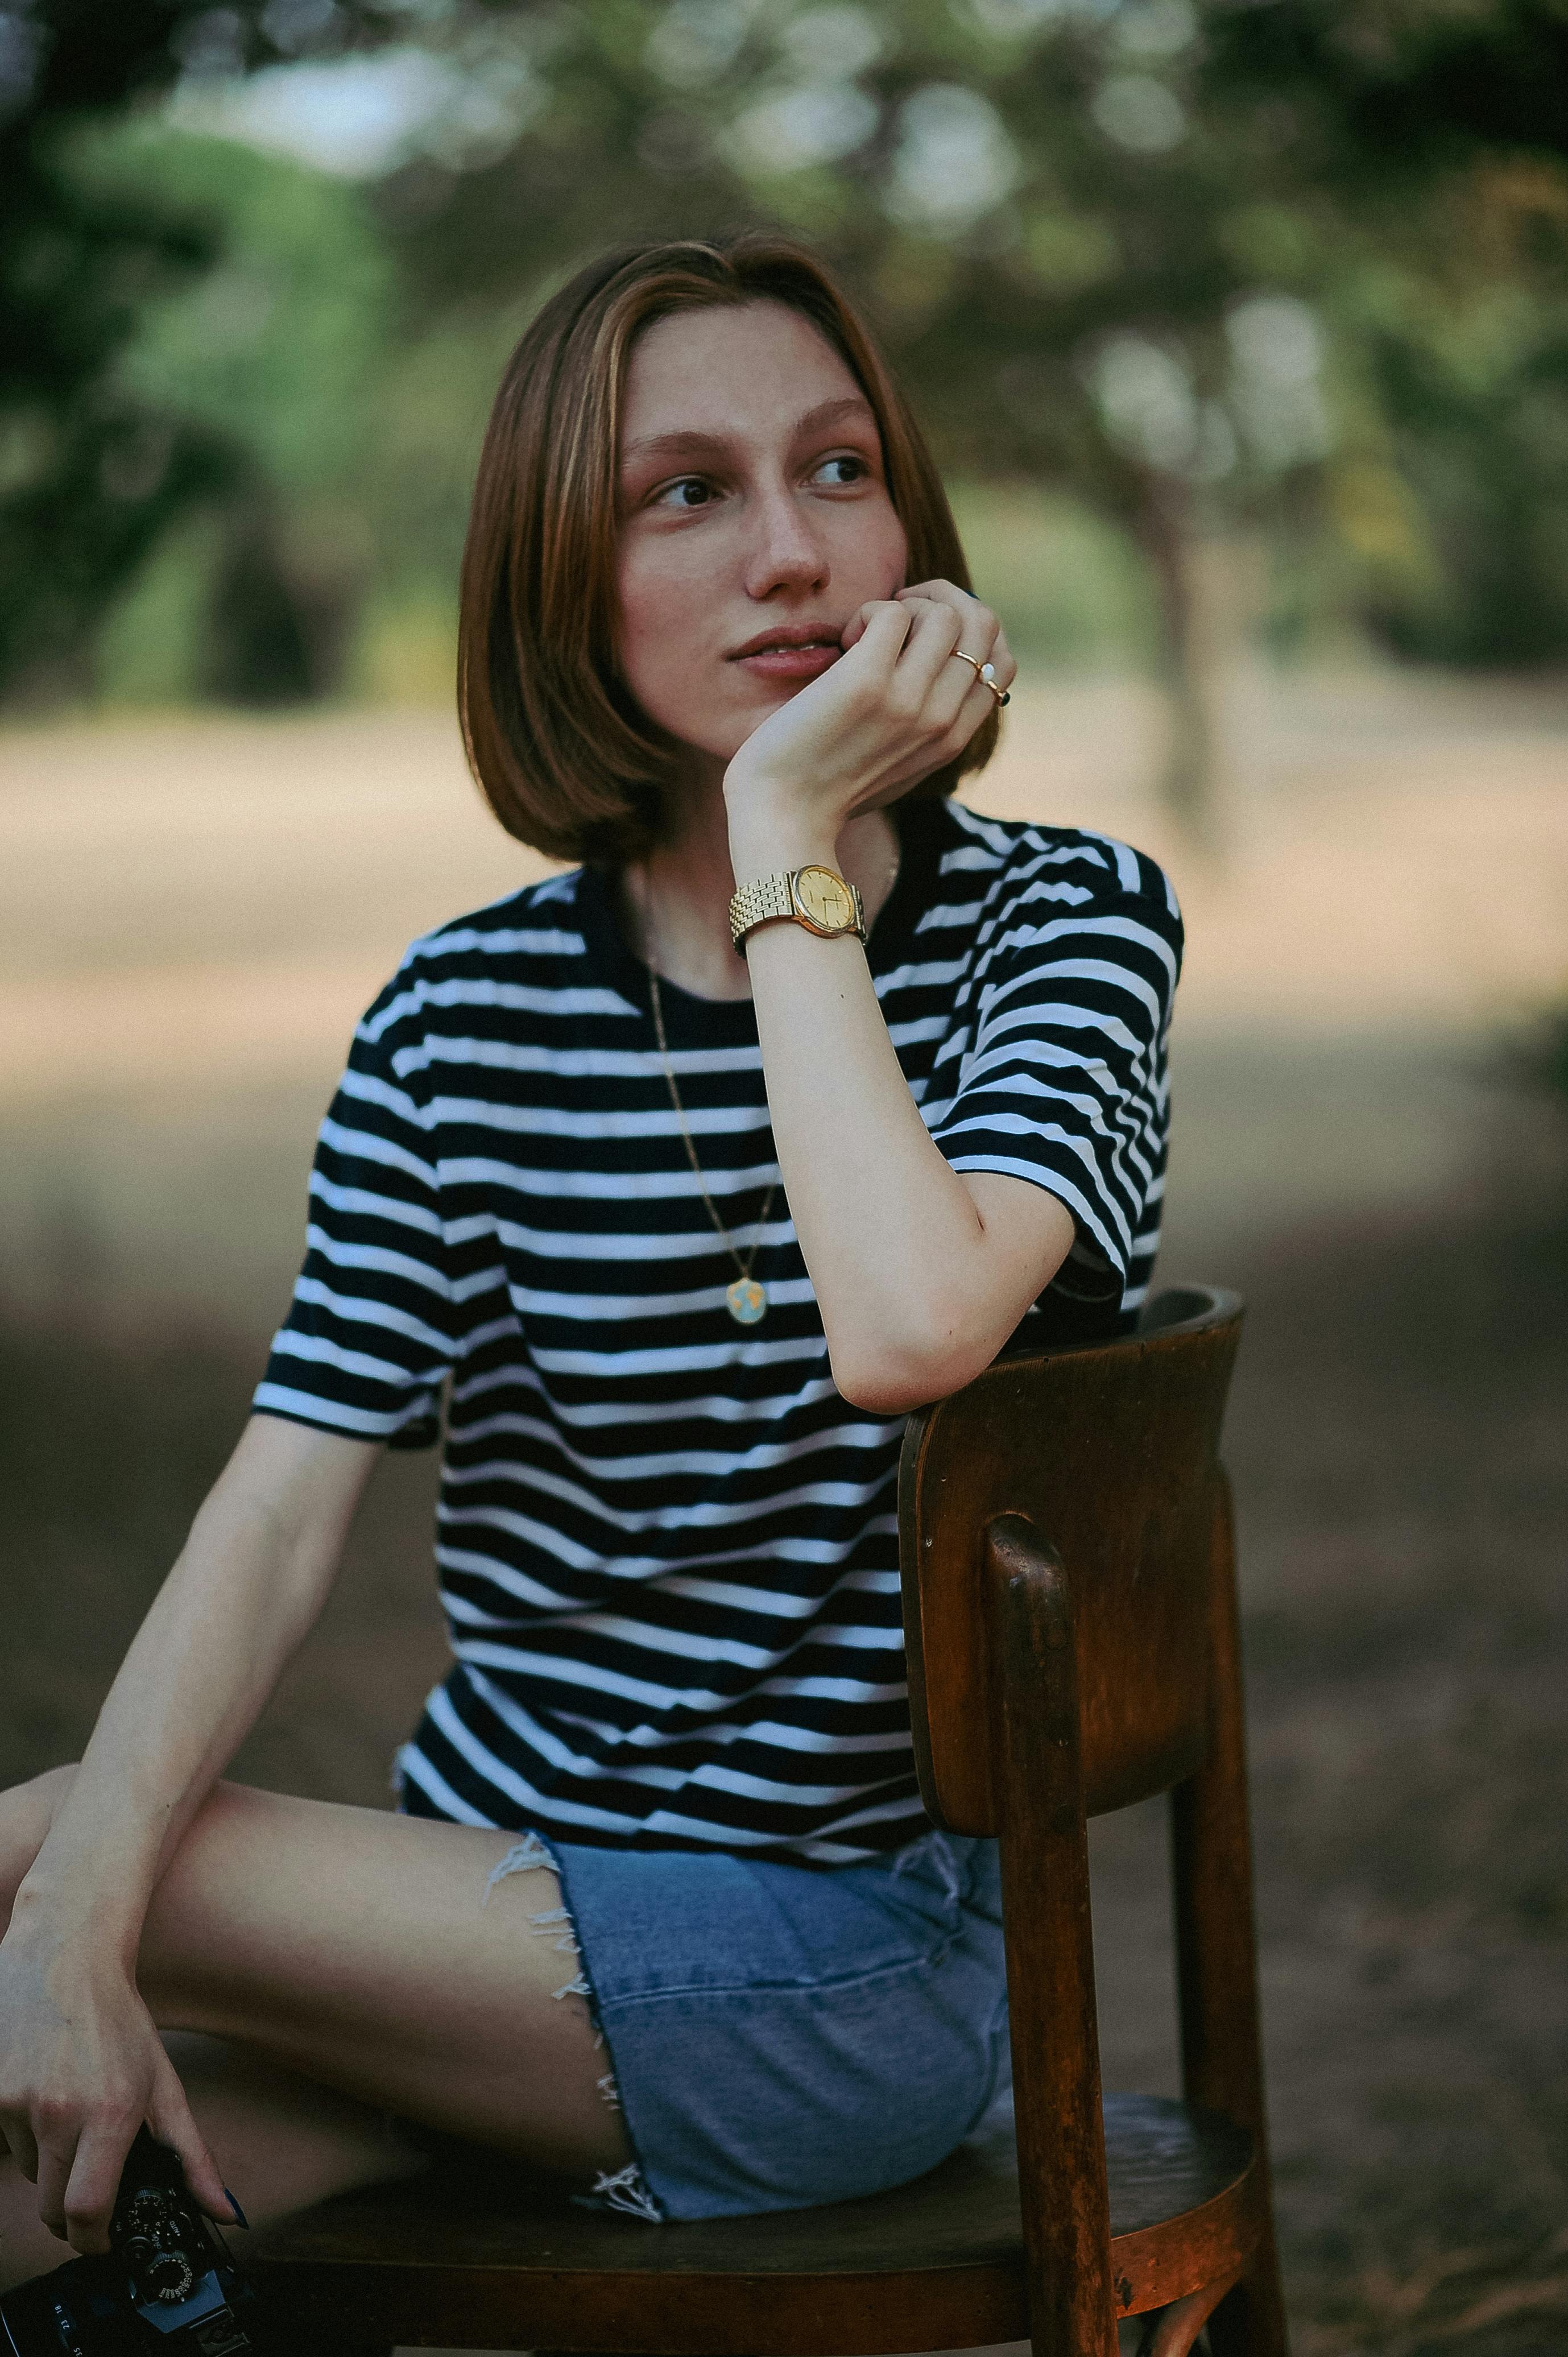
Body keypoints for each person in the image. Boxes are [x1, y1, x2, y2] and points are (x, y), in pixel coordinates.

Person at [0, 233, 1181, 2272]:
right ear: (563, 575)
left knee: (37, 1857)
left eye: (837, 470)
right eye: (689, 492)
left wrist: (787, 844)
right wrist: (70, 1967)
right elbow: (283, 1505)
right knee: (36, 2203)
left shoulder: (1056, 932)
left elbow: (909, 1329)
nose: (794, 554)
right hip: (470, 1925)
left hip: (841, 1965)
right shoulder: (460, 1018)